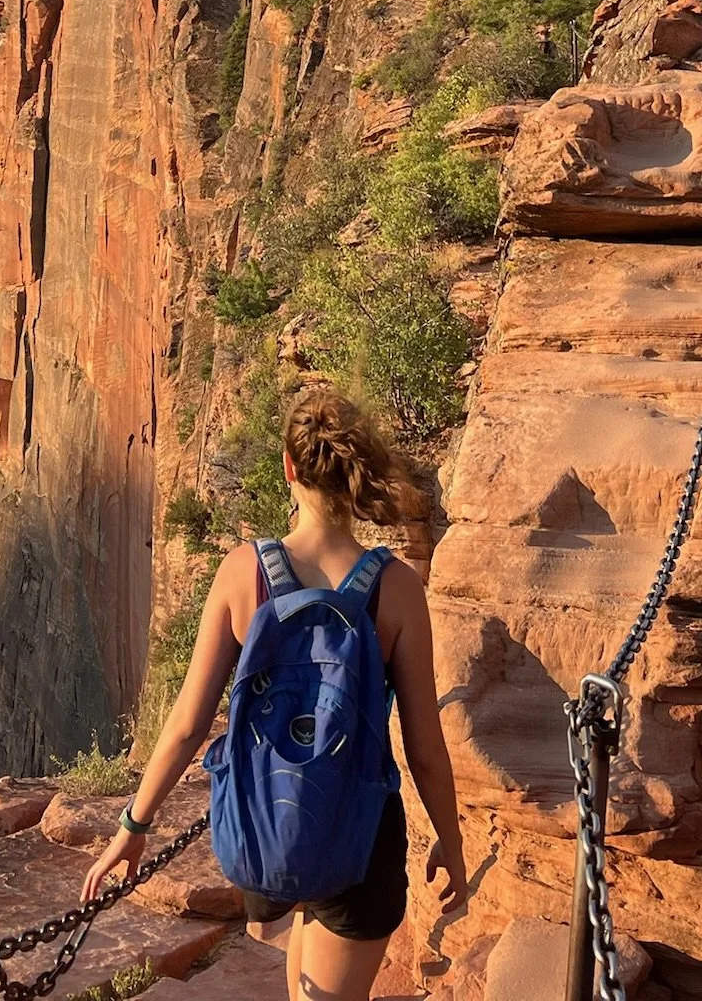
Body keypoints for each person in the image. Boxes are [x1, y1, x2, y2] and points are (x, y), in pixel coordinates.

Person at [82, 390, 468, 1001]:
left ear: (289, 469)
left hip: (267, 825)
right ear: (354, 473)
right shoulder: (396, 589)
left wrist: (134, 824)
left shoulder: (243, 572)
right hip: (360, 834)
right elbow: (424, 748)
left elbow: (187, 723)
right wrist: (451, 841)